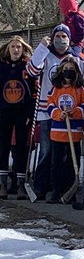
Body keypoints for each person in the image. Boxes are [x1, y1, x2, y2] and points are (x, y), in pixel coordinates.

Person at [26, 23, 84, 200]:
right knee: (47, 151)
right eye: (58, 36)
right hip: (48, 111)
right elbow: (31, 70)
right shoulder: (46, 55)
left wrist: (78, 110)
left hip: (70, 113)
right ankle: (41, 185)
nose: (61, 40)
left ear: (69, 40)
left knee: (67, 154)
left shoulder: (75, 59)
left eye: (64, 37)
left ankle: (63, 186)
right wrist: (41, 48)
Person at [46, 56, 84, 204]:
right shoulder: (56, 88)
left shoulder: (80, 88)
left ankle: (69, 191)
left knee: (72, 163)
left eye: (71, 70)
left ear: (76, 71)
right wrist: (59, 114)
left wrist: (74, 112)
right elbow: (50, 105)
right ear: (61, 71)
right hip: (58, 132)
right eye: (65, 70)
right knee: (55, 163)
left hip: (74, 132)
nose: (68, 72)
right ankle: (55, 191)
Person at [0, 35, 37, 200]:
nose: (16, 50)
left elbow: (35, 91)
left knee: (21, 147)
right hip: (4, 111)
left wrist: (30, 112)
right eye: (13, 46)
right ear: (8, 49)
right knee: (2, 147)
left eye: (19, 47)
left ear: (23, 49)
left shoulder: (28, 66)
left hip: (22, 113)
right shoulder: (1, 66)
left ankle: (21, 184)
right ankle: (2, 184)